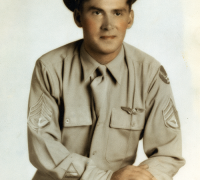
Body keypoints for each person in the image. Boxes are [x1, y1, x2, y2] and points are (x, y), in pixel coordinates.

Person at [27, 0, 185, 179]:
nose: (108, 26)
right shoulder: (50, 68)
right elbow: (43, 147)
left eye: (117, 13)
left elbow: (167, 152)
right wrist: (106, 178)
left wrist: (141, 177)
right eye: (97, 13)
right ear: (78, 18)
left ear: (130, 18)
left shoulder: (150, 73)